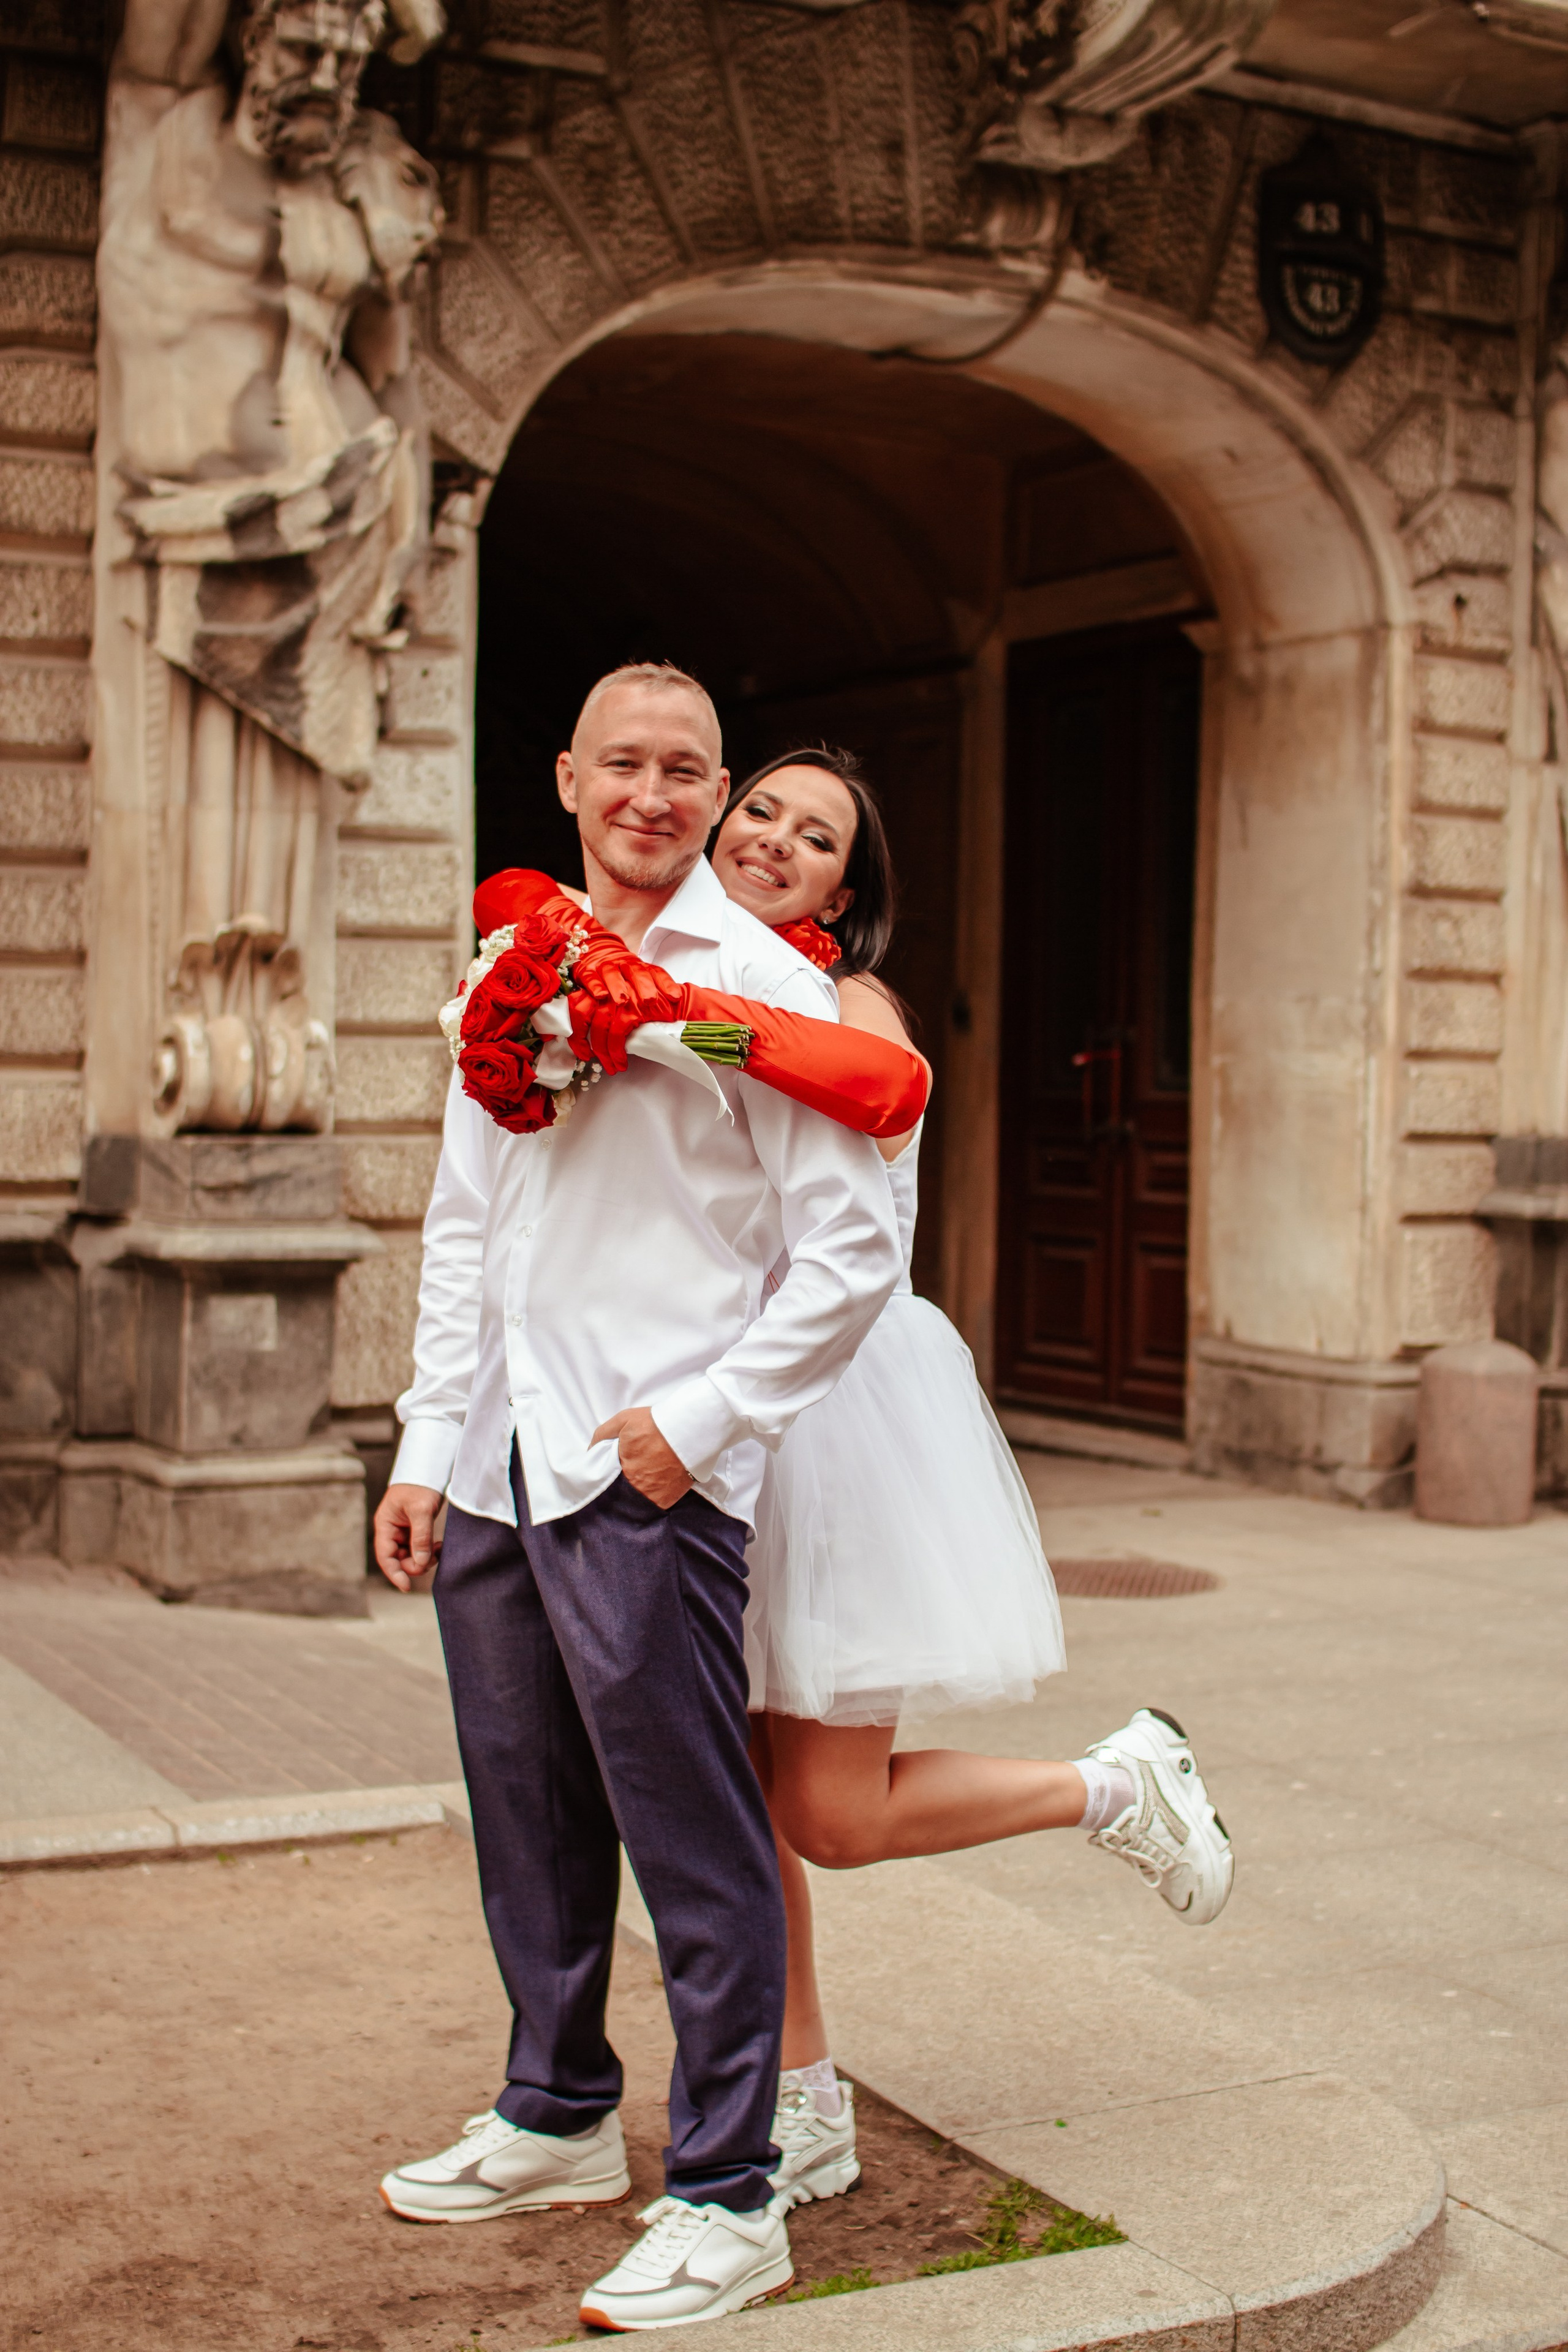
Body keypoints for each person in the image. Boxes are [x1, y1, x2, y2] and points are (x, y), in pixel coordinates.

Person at [372, 667, 904, 2331]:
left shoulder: (757, 991)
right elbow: (471, 1223)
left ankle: (734, 2195)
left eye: (689, 770)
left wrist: (705, 1421)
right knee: (527, 1813)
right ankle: (558, 2112)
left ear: (716, 786)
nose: (654, 795)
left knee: (696, 1839)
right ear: (568, 777)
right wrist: (421, 1441)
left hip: (641, 1471)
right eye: (626, 764)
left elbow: (858, 1250)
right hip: (493, 1467)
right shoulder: (509, 970)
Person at [701, 747, 1235, 2209]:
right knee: (737, 1813)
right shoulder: (663, 965)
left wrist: (680, 1020)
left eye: (814, 840)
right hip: (696, 1418)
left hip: (831, 1421)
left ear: (843, 888)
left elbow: (876, 1100)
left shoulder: (837, 1001)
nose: (775, 844)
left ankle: (1115, 1782)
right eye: (759, 812)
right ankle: (798, 2102)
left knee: (826, 1814)